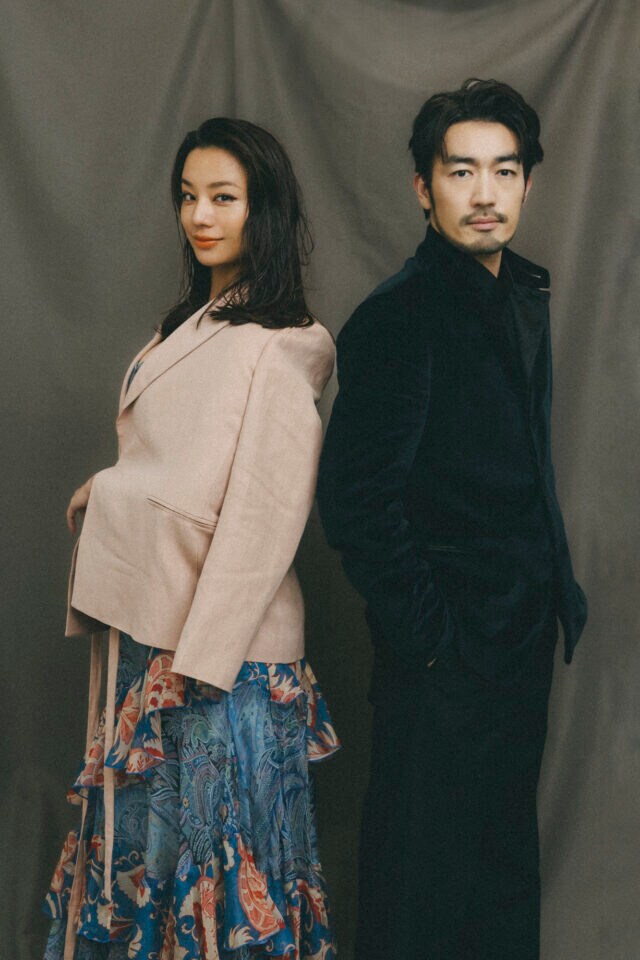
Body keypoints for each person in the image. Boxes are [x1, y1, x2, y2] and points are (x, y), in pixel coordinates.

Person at [42, 118, 339, 960]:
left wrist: (202, 664)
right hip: (153, 632)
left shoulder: (288, 342)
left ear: (263, 210)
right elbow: (177, 466)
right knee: (153, 861)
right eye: (188, 196)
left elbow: (265, 516)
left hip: (217, 652)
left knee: (219, 873)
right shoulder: (190, 322)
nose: (200, 216)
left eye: (224, 198)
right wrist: (109, 490)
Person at [317, 78, 587, 960]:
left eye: (504, 171)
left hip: (519, 642)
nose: (484, 192)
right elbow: (355, 500)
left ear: (527, 184)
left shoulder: (517, 295)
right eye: (461, 171)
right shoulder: (399, 316)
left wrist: (549, 595)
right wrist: (434, 639)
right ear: (422, 187)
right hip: (444, 661)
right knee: (420, 892)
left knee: (500, 885)